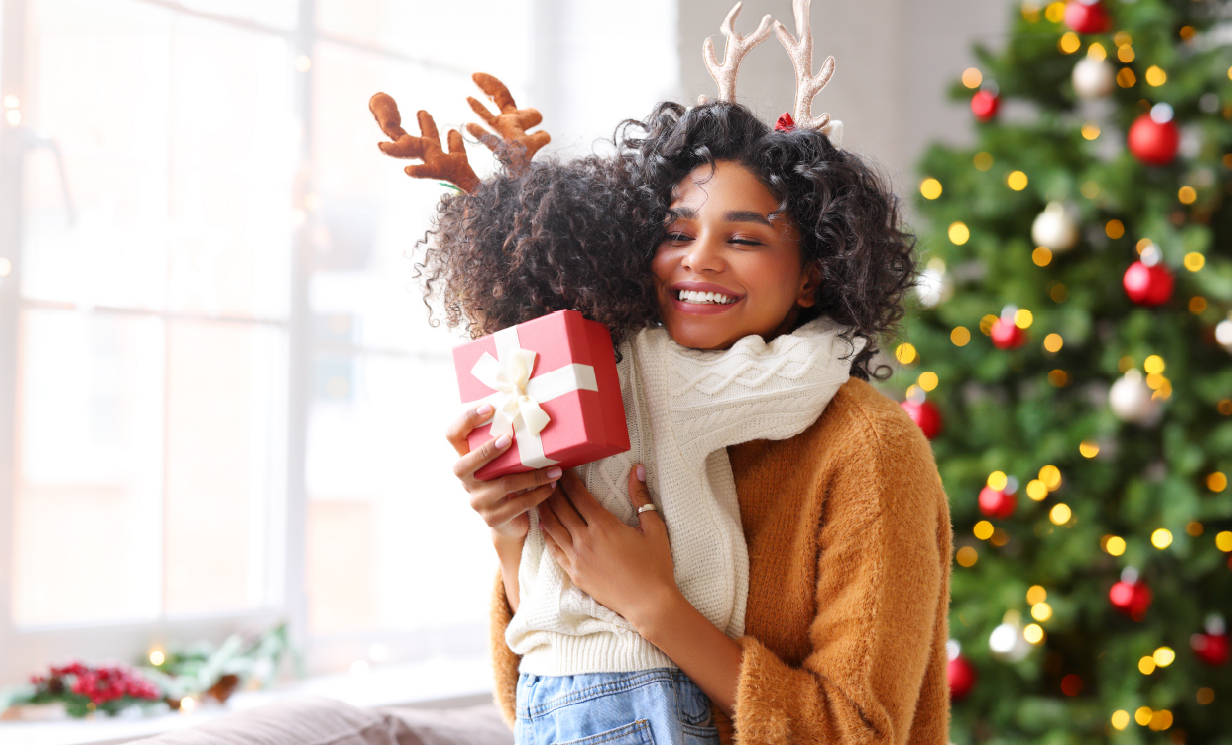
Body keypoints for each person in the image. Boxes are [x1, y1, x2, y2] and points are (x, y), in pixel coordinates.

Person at [396, 5, 950, 743]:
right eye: (677, 231)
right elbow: (541, 700)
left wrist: (656, 607)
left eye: (744, 238)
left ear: (814, 275)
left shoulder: (869, 448)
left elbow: (858, 732)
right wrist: (512, 527)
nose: (700, 259)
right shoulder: (614, 390)